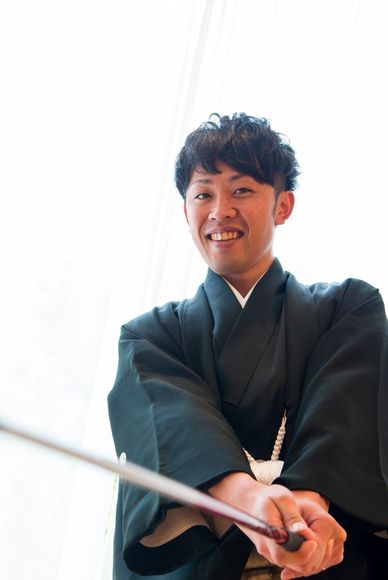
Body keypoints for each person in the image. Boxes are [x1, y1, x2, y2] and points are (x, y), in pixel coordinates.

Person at [107, 113, 388, 579]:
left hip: (318, 554)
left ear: (283, 206)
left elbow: (345, 422)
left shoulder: (347, 308)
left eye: (241, 190)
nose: (220, 211)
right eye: (203, 194)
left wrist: (302, 513)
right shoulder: (151, 336)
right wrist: (250, 503)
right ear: (186, 211)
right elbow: (173, 434)